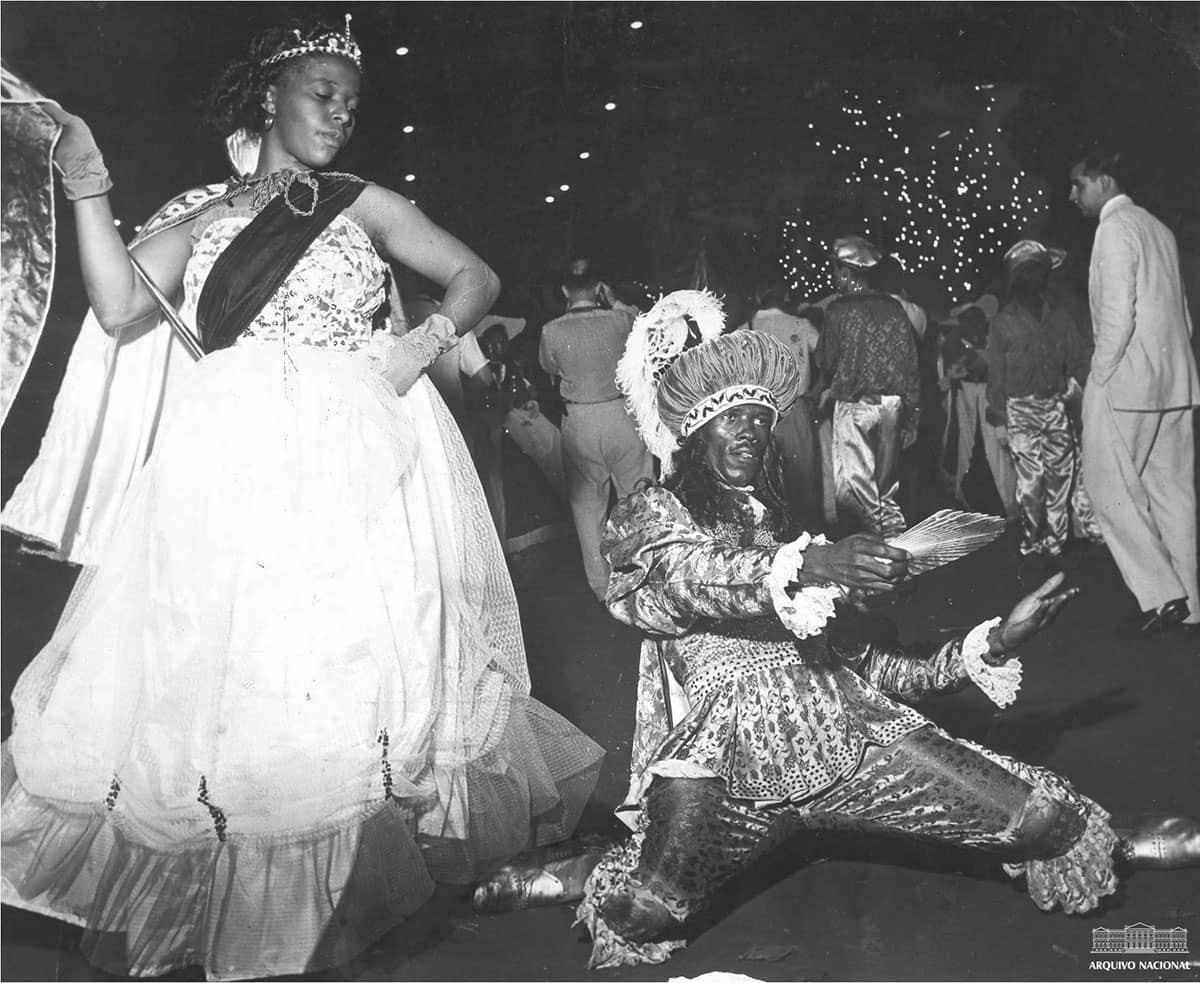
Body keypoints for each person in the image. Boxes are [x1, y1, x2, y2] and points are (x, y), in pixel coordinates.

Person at [0, 20, 603, 981]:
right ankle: (237, 887)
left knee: (345, 657)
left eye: (352, 102)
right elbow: (118, 307)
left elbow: (474, 275)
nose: (340, 114)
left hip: (356, 446)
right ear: (271, 95)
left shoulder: (361, 202)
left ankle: (328, 894)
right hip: (230, 451)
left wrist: (415, 347)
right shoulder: (202, 208)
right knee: (234, 664)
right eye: (323, 93)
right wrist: (88, 183)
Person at [574, 290, 1199, 970]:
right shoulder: (659, 516)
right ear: (693, 436)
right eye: (730, 419)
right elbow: (676, 578)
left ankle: (1123, 844)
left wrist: (995, 640)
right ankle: (566, 874)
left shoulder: (790, 544)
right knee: (642, 910)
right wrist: (813, 563)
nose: (751, 431)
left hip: (851, 747)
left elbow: (886, 670)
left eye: (760, 417)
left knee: (1045, 821)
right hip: (723, 774)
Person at [1068, 150, 1200, 637]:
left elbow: (1116, 315)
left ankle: (1162, 593)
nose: (1072, 195)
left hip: (1126, 382)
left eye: (1078, 184)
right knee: (1174, 496)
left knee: (1108, 490)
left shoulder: (1113, 228)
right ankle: (1192, 605)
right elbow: (1184, 320)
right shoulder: (1160, 229)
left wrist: (1099, 375)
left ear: (1103, 181)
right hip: (1177, 383)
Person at [539, 259, 654, 601]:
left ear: (564, 291)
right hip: (621, 414)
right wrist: (614, 299)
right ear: (598, 288)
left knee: (587, 506)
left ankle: (603, 590)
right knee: (638, 497)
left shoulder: (551, 330)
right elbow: (644, 321)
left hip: (580, 420)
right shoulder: (620, 319)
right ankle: (648, 573)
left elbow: (550, 367)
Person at [986, 243, 1092, 558]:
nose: (1033, 279)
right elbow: (996, 375)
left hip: (1055, 407)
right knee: (1031, 484)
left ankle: (1055, 544)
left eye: (1038, 272)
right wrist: (1000, 419)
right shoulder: (1003, 322)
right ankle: (1032, 541)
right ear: (1016, 278)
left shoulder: (1059, 318)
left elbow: (1078, 360)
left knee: (1061, 478)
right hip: (1020, 411)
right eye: (1026, 273)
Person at [816, 235, 920, 536]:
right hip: (891, 408)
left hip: (855, 408)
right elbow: (910, 366)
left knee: (855, 494)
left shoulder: (838, 310)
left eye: (836, 271)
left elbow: (826, 360)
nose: (835, 277)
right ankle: (895, 557)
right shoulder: (894, 308)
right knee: (886, 492)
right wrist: (912, 417)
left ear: (847, 273)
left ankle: (883, 562)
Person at [746, 283, 823, 528]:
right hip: (795, 408)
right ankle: (805, 534)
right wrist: (817, 390)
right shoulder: (799, 325)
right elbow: (828, 356)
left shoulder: (745, 329)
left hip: (758, 411)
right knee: (801, 478)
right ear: (786, 296)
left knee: (762, 476)